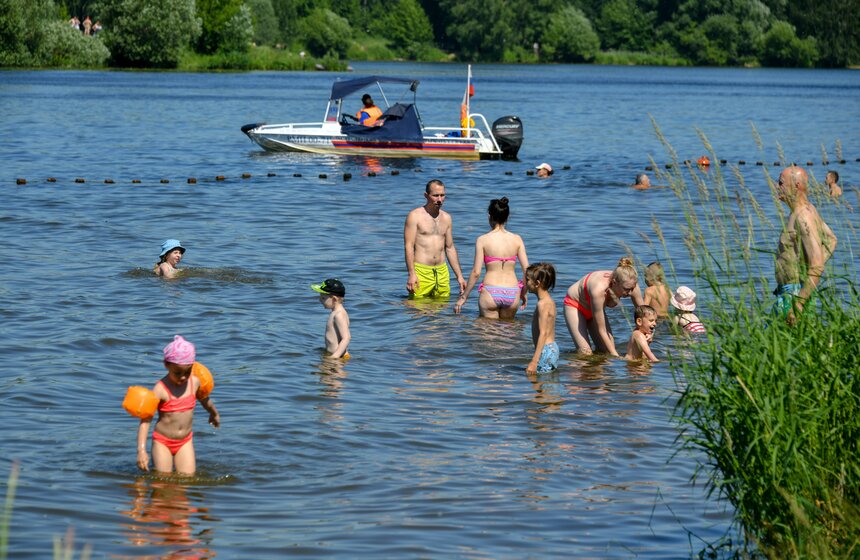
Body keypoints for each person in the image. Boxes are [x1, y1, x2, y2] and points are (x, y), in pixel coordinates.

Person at [137, 336, 220, 475]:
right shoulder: (160, 389)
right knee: (162, 481)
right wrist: (141, 450)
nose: (183, 377)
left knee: (187, 479)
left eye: (187, 372)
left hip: (185, 441)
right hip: (162, 442)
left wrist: (214, 413)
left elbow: (204, 399)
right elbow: (145, 421)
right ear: (166, 365)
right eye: (177, 373)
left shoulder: (195, 383)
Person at [773, 166, 837, 319]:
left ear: (797, 186)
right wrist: (805, 269)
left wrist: (799, 301)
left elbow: (818, 265)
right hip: (792, 292)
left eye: (781, 183)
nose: (777, 186)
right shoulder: (806, 209)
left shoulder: (803, 216)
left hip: (793, 296)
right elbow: (831, 239)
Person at [455, 197, 529, 319]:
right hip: (512, 292)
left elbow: (476, 272)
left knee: (488, 337)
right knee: (508, 335)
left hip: (490, 292)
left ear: (489, 216)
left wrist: (464, 297)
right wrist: (524, 292)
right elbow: (527, 270)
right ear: (507, 217)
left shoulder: (483, 240)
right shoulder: (517, 239)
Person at [563, 257, 645, 356]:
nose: (630, 292)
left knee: (606, 350)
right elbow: (601, 329)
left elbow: (646, 315)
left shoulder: (631, 286)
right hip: (576, 306)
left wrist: (647, 335)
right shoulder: (599, 290)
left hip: (595, 309)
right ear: (614, 282)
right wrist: (616, 356)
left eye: (632, 288)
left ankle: (599, 369)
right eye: (626, 289)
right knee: (585, 352)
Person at [404, 179, 467, 298]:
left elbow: (450, 248)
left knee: (442, 311)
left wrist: (459, 276)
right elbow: (409, 246)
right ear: (426, 196)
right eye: (435, 195)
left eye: (442, 195)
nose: (439, 199)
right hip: (421, 271)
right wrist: (412, 273)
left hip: (442, 272)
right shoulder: (415, 216)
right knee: (418, 310)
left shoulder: (447, 218)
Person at [526, 263, 558, 374]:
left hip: (546, 350)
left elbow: (543, 333)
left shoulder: (543, 304)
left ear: (537, 283)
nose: (526, 283)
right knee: (546, 386)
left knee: (538, 386)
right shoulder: (550, 301)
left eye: (528, 280)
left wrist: (534, 361)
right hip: (550, 349)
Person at [311, 278, 351, 359]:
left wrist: (334, 357)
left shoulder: (339, 315)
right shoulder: (336, 312)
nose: (319, 300)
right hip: (336, 355)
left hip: (338, 357)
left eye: (323, 298)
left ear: (334, 299)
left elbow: (346, 338)